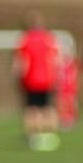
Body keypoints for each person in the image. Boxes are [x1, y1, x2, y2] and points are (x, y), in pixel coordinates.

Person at [14, 13, 61, 151]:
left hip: (31, 79)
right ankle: (50, 135)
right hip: (48, 79)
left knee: (31, 108)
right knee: (48, 107)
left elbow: (21, 62)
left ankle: (34, 137)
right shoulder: (49, 38)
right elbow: (55, 60)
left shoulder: (25, 39)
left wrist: (18, 77)